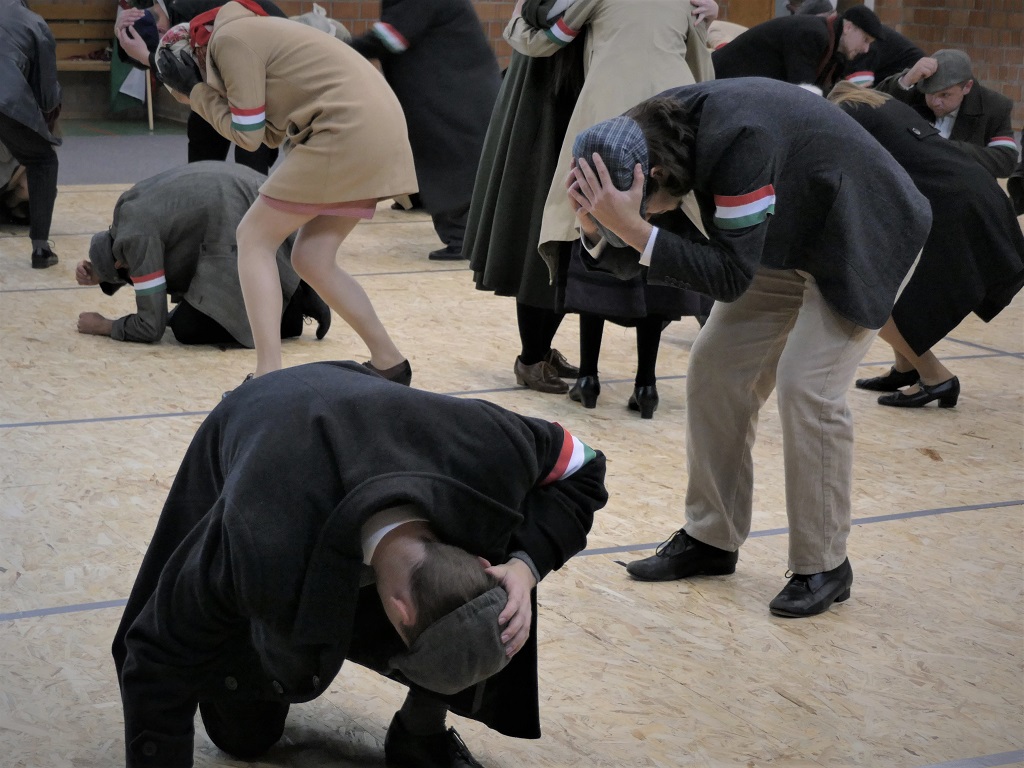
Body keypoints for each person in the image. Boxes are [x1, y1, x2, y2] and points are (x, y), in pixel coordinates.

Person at [112, 360, 608, 768]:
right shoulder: (260, 538)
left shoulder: (491, 449)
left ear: (480, 561)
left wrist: (524, 567)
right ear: (400, 612)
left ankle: (420, 731)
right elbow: (156, 652)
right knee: (245, 737)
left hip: (364, 419)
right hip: (261, 419)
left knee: (490, 598)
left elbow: (587, 465)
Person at [566, 79, 931, 617]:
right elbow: (662, 244)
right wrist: (597, 227)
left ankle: (825, 564)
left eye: (643, 209)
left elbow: (729, 277)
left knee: (808, 386)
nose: (647, 218)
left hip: (864, 232)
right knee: (714, 369)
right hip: (787, 235)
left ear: (655, 175)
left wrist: (635, 229)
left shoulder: (741, 141)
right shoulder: (640, 136)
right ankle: (711, 538)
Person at [156, 1, 416, 384]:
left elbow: (247, 137)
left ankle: (268, 376)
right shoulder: (248, 30)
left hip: (345, 128)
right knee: (312, 258)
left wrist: (196, 94)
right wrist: (200, 94)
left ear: (195, 57)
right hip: (373, 127)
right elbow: (269, 133)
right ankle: (390, 362)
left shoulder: (229, 40)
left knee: (253, 237)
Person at [504, 0, 716, 418]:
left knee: (591, 240)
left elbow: (544, 40)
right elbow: (704, 70)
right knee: (661, 249)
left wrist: (517, 17)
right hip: (675, 116)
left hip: (611, 114)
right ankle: (646, 384)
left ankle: (589, 378)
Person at [822, 83, 1024, 408]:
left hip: (954, 205)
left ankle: (935, 377)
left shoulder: (845, 115)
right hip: (975, 192)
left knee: (869, 293)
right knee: (894, 285)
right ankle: (905, 367)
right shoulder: (882, 105)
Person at [75, 162, 331, 347]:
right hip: (250, 194)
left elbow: (151, 325)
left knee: (187, 328)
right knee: (181, 315)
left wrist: (105, 326)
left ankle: (291, 312)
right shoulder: (127, 211)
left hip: (237, 214)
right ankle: (296, 290)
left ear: (120, 263)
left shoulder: (135, 240)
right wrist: (99, 271)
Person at [348, 0, 500, 261]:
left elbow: (390, 37)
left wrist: (335, 47)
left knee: (451, 164)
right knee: (444, 161)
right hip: (451, 91)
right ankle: (462, 235)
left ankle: (465, 239)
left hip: (455, 95)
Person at [114, 0, 285, 174]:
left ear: (160, 31)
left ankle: (252, 185)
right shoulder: (172, 11)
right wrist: (120, 32)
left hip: (268, 66)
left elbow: (177, 70)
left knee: (250, 149)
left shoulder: (193, 11)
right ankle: (202, 181)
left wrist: (147, 57)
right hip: (231, 69)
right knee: (202, 133)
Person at [876, 49, 1018, 179]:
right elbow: (871, 109)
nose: (936, 102)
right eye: (930, 93)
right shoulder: (913, 89)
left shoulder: (995, 106)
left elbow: (1006, 161)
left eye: (945, 95)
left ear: (967, 87)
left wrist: (945, 148)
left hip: (963, 187)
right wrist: (906, 80)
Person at [0, 0, 61, 269]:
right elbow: (48, 98)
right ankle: (41, 249)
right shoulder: (34, 23)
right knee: (43, 161)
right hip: (7, 100)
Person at [711, 4, 884, 94]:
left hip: (737, 86)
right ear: (848, 27)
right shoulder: (813, 34)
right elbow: (803, 90)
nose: (866, 49)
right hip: (717, 79)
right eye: (865, 40)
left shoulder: (832, 45)